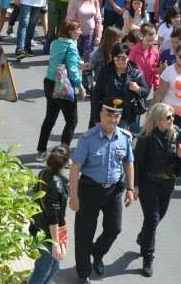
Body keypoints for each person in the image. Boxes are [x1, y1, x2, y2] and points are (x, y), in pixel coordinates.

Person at [69, 98, 136, 282]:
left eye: (116, 116)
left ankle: (97, 255)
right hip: (89, 190)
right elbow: (75, 168)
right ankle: (83, 273)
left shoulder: (124, 137)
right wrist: (73, 196)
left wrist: (130, 188)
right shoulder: (88, 139)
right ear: (101, 115)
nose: (112, 120)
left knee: (114, 229)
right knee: (84, 233)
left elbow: (128, 162)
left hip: (113, 190)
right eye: (109, 115)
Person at [133, 103, 181, 277]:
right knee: (152, 218)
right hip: (148, 183)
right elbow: (138, 164)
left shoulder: (177, 133)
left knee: (158, 218)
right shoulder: (145, 138)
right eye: (168, 117)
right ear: (157, 119)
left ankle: (143, 237)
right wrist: (134, 186)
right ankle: (148, 257)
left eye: (173, 116)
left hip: (168, 182)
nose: (172, 119)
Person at [36, 20, 86, 162]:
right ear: (70, 31)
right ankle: (63, 155)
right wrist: (80, 86)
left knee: (50, 118)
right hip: (63, 85)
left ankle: (41, 151)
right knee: (71, 121)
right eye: (78, 30)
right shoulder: (71, 45)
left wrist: (79, 64)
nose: (80, 32)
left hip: (49, 82)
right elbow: (71, 69)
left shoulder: (55, 43)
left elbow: (61, 61)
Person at [28, 145, 70, 284]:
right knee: (42, 272)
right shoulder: (56, 185)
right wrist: (56, 243)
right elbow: (53, 217)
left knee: (54, 266)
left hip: (38, 228)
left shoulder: (43, 173)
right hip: (47, 235)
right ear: (66, 162)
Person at [91, 44, 149, 131]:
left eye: (123, 58)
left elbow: (146, 91)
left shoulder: (135, 73)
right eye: (117, 58)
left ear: (128, 58)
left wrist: (138, 89)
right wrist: (96, 118)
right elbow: (96, 96)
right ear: (113, 58)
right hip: (107, 112)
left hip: (125, 114)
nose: (120, 61)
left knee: (120, 141)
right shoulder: (105, 71)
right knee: (105, 140)